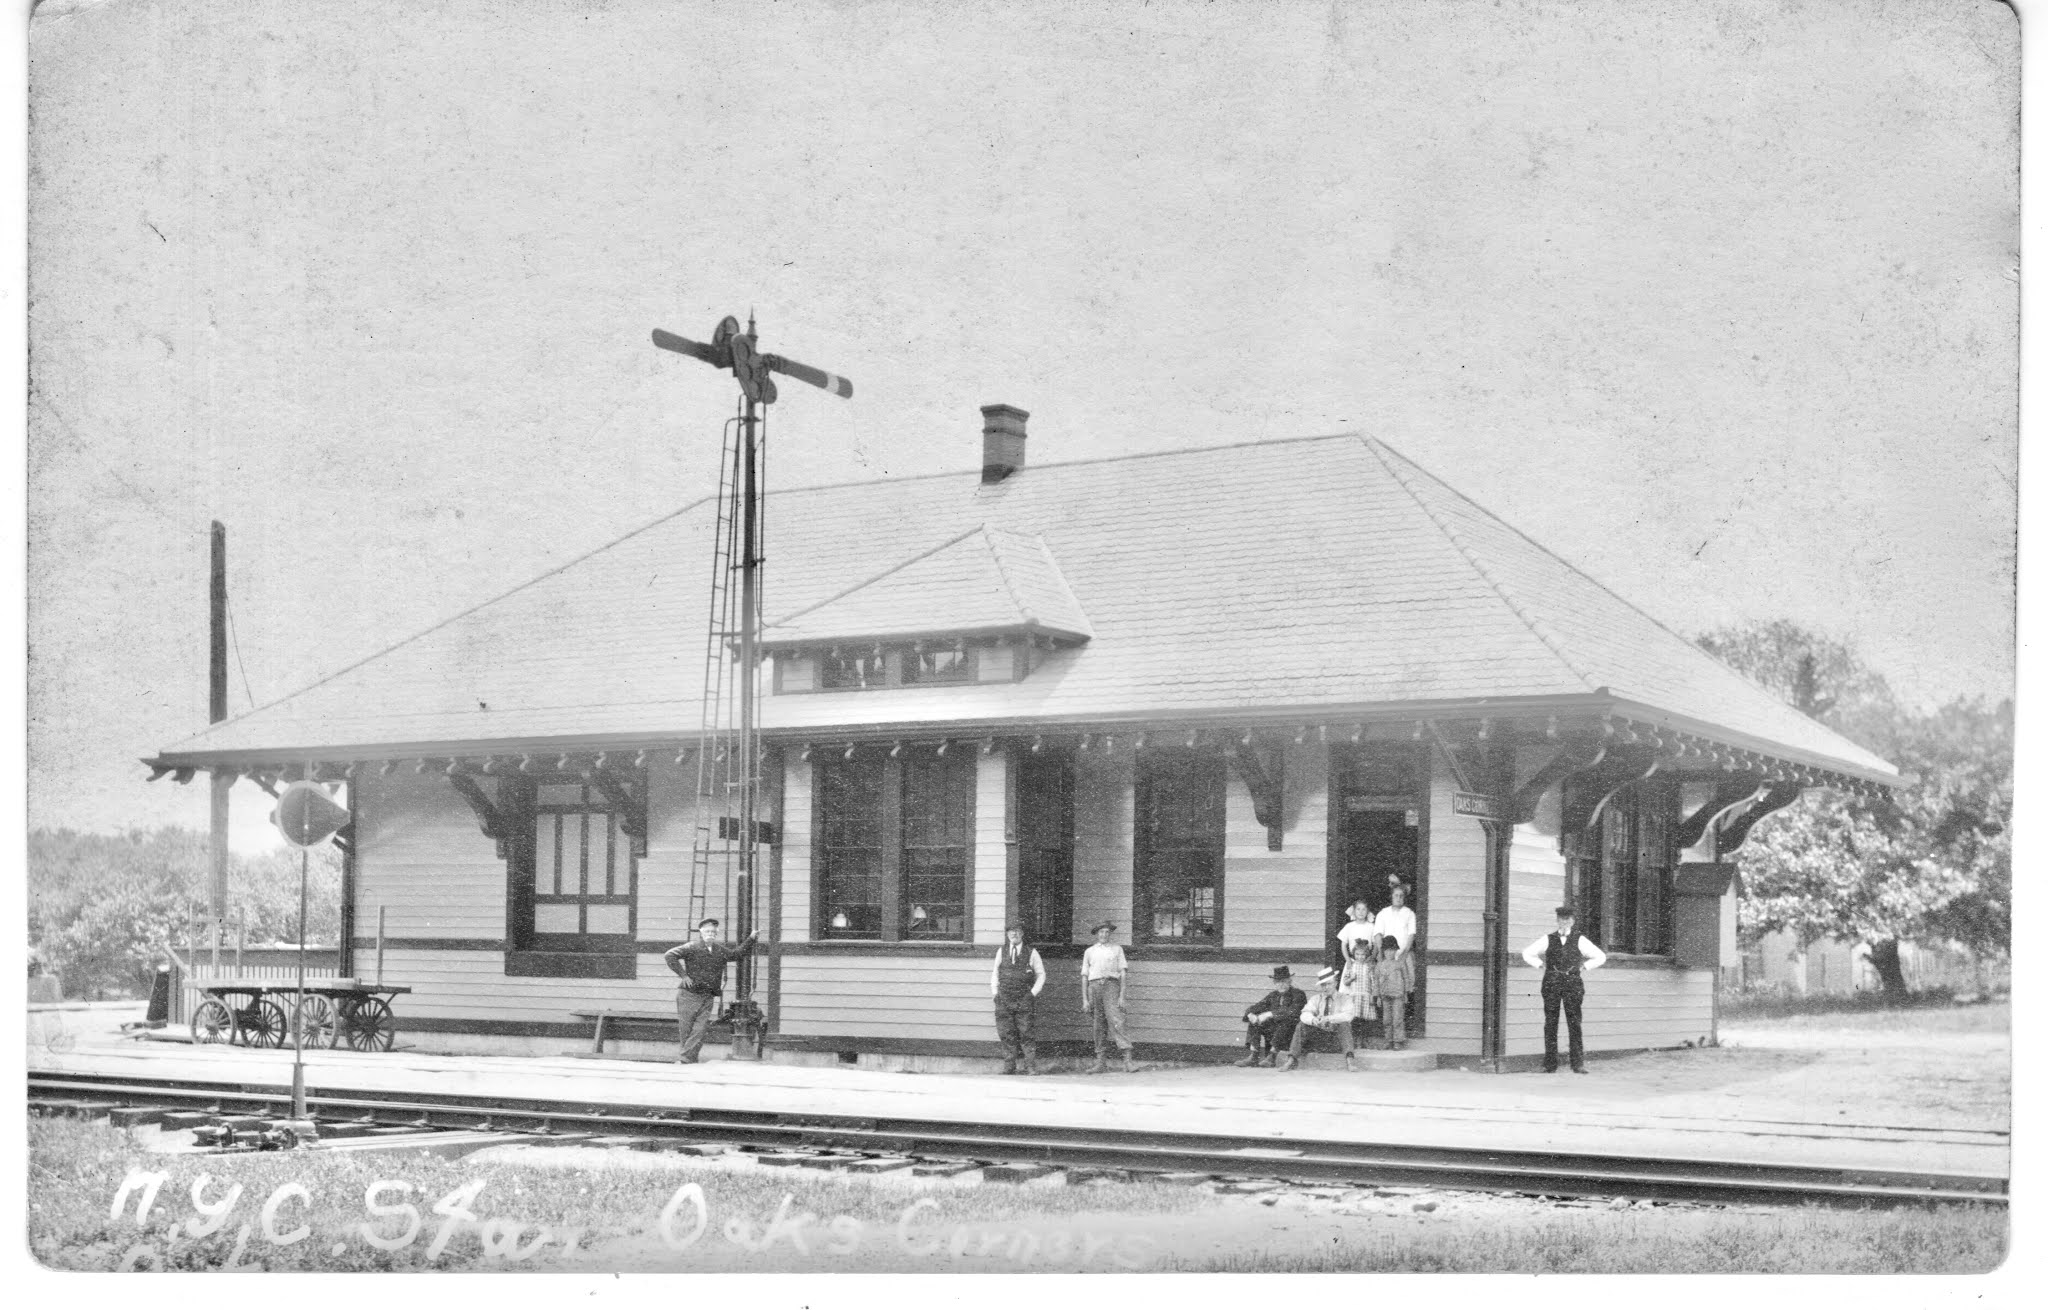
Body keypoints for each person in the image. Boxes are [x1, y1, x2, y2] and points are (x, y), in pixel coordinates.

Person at [1520, 904, 1608, 1073]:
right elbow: (1527, 953)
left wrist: (1584, 967)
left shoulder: (1580, 939)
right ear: (1557, 920)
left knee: (1574, 1022)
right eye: (1561, 919)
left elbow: (1600, 956)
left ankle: (1577, 1064)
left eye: (1567, 919)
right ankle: (1550, 1065)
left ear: (1573, 921)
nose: (1564, 922)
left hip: (1572, 983)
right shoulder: (1548, 939)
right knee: (1550, 1022)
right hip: (1551, 982)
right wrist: (1540, 965)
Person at [662, 917, 758, 1064]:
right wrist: (683, 975)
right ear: (701, 932)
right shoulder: (691, 947)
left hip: (708, 996)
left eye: (713, 932)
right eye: (707, 931)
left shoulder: (719, 950)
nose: (710, 934)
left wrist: (751, 939)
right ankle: (688, 1060)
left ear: (716, 934)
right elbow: (669, 955)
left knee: (700, 1030)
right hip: (689, 995)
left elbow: (736, 955)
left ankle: (685, 1059)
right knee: (687, 1030)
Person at [989, 924, 1047, 1075]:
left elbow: (1041, 975)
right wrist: (995, 993)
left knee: (1026, 1032)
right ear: (1007, 934)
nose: (1014, 934)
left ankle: (1030, 1066)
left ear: (1022, 933)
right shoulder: (1001, 951)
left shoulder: (1031, 952)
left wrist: (1032, 993)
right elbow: (995, 973)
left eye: (1017, 931)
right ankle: (1009, 1066)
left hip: (1024, 999)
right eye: (1011, 931)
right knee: (1006, 1032)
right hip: (1004, 998)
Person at [1080, 920, 1135, 1074]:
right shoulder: (1089, 952)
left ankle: (1128, 1061)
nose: (1104, 935)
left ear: (1110, 934)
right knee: (1099, 1024)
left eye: (1106, 932)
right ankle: (1100, 1063)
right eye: (1101, 932)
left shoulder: (1117, 949)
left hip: (1111, 986)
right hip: (1094, 987)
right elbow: (1084, 976)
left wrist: (1122, 996)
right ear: (1097, 934)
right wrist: (1085, 999)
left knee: (1117, 1021)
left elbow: (1123, 973)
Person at [1280, 966, 1357, 1071]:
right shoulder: (1316, 999)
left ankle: (1350, 1061)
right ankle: (1291, 1060)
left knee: (1344, 1024)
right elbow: (1304, 1014)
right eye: (1323, 985)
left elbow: (1348, 1015)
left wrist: (1329, 1018)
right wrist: (1314, 1020)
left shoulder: (1344, 999)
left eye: (1329, 984)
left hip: (1337, 1041)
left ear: (1336, 983)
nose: (1326, 987)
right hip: (1319, 1041)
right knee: (1301, 1025)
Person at [1236, 965, 1306, 1067]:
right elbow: (1257, 1006)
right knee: (1255, 1021)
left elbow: (1293, 1012)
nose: (1280, 985)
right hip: (1275, 1032)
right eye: (1277, 982)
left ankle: (1273, 1056)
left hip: (1291, 1033)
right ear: (1274, 983)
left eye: (1283, 981)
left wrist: (1270, 1014)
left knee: (1286, 1021)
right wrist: (1250, 1014)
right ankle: (1254, 1055)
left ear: (1289, 981)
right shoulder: (1273, 995)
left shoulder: (1298, 994)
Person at [1373, 881, 1419, 1002]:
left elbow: (1411, 935)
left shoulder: (1409, 913)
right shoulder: (1383, 913)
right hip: (1387, 954)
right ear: (1391, 897)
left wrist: (1404, 954)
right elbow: (1378, 934)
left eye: (1401, 896)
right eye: (1396, 895)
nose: (1398, 898)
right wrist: (1382, 953)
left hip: (1403, 954)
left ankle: (1404, 1007)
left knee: (1406, 980)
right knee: (1385, 981)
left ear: (1404, 897)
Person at [1371, 934, 1410, 1048]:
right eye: (1387, 950)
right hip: (1385, 996)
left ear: (1396, 951)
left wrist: (1406, 993)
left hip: (1398, 995)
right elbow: (1377, 981)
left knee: (1397, 1018)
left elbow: (1406, 978)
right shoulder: (1380, 965)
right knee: (1386, 1019)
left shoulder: (1400, 963)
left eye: (1392, 950)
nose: (1390, 953)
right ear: (1383, 951)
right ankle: (1389, 1040)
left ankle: (1397, 1041)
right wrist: (1377, 996)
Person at [1335, 897, 1376, 967]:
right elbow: (1343, 945)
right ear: (1354, 911)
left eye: (1364, 909)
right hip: (1352, 961)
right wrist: (1348, 959)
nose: (1361, 912)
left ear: (1367, 911)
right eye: (1358, 909)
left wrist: (1372, 958)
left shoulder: (1371, 926)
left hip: (1367, 961)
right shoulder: (1349, 926)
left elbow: (1376, 945)